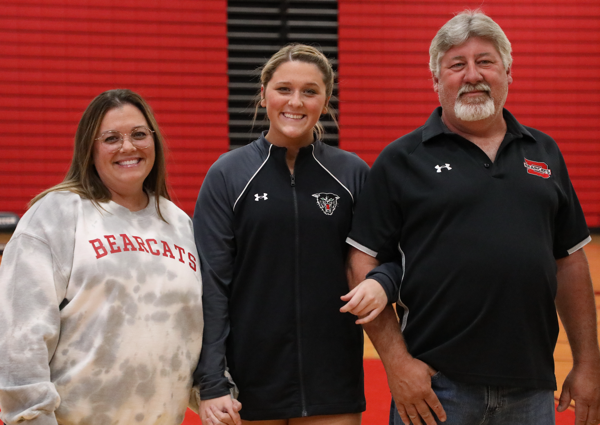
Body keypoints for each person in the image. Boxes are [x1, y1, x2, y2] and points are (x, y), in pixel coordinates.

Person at [343, 9, 600, 425]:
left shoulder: (545, 153)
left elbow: (569, 263)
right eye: (457, 65)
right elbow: (362, 263)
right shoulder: (400, 160)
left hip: (532, 388)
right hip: (435, 389)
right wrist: (396, 364)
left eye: (485, 61)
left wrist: (589, 363)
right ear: (436, 80)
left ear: (508, 72)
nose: (472, 75)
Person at [0, 89, 204, 425]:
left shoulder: (179, 223)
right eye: (111, 138)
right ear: (89, 148)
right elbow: (20, 337)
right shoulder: (55, 215)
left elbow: (193, 332)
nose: (128, 147)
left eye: (139, 134)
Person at [193, 44, 369, 425]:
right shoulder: (227, 175)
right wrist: (211, 381)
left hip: (333, 381)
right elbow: (212, 285)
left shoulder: (353, 174)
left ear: (325, 99)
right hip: (249, 384)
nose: (296, 102)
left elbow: (378, 263)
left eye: (310, 91)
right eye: (284, 89)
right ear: (263, 94)